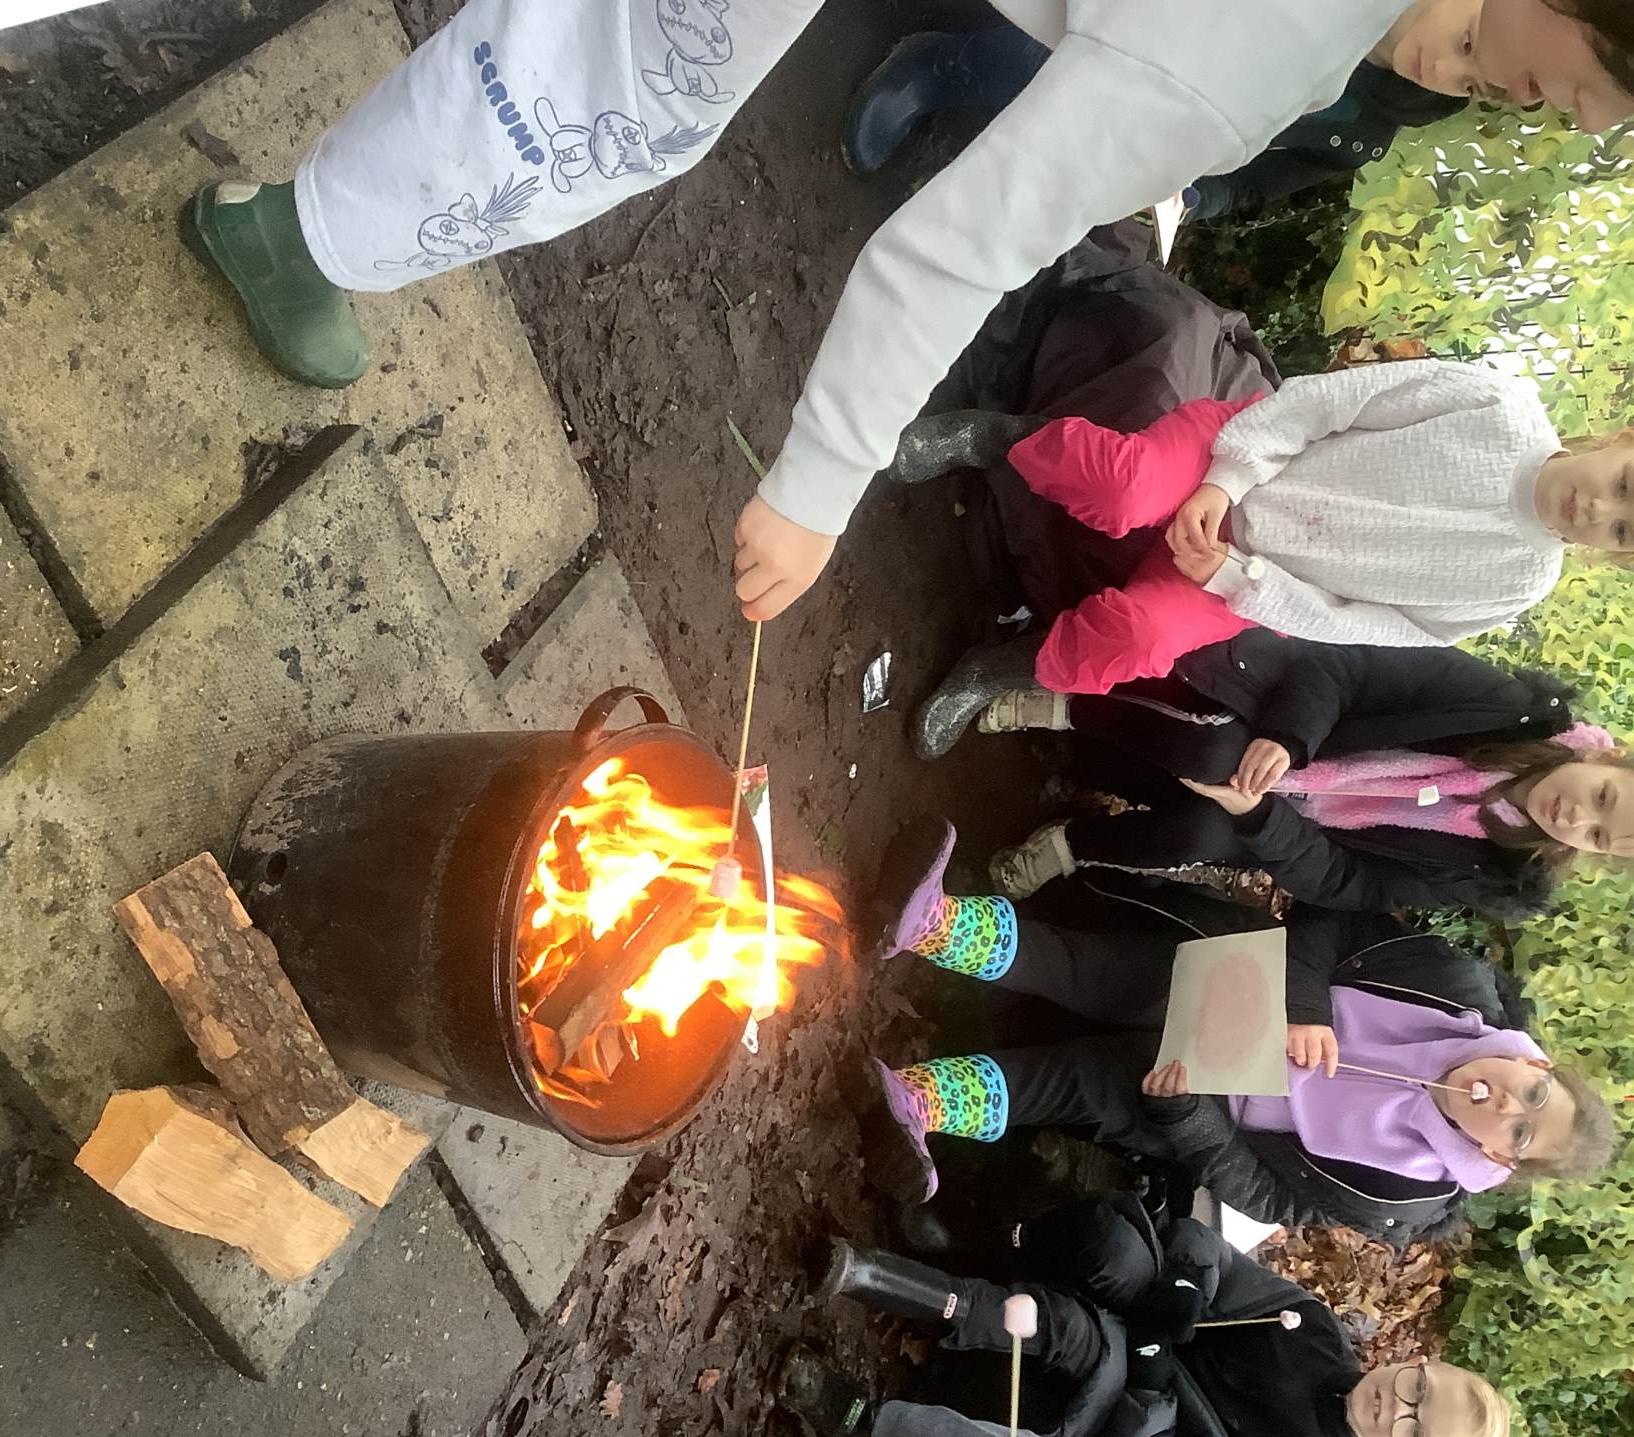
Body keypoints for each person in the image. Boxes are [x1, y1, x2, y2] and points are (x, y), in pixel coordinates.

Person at [173, 2, 1634, 620]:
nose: (1578, 121)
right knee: (632, 79)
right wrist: (818, 486)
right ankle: (298, 238)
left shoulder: (1317, 51)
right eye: (1603, 83)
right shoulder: (1264, 54)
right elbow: (959, 244)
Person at [850, 816, 1616, 1242]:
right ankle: (933, 924)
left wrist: (1188, 1118)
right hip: (1229, 982)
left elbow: (1275, 1199)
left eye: (1520, 1132)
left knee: (1063, 1083)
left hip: (1200, 1104)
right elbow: (1335, 920)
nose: (1505, 1105)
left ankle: (918, 1106)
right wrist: (1307, 1008)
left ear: (1499, 1157)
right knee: (1079, 966)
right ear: (1536, 1064)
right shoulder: (1456, 990)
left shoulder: (1407, 1196)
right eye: (1532, 1094)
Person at [887, 364, 1634, 700]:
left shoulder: (1516, 584)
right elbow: (1331, 403)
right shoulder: (1498, 406)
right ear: (1621, 441)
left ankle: (993, 673)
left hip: (1241, 577)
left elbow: (1360, 624)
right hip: (1239, 457)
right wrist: (1225, 481)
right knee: (1122, 486)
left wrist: (1234, 578)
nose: (1599, 510)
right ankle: (996, 440)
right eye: (1625, 485)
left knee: (1140, 642)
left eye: (1624, 531)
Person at [923, 632, 1631, 915]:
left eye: (1598, 835)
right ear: (1602, 759)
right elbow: (1349, 665)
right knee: (1215, 755)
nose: (1576, 817)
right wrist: (1289, 740)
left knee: (1200, 833)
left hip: (1282, 820)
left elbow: (1351, 883)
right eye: (1603, 797)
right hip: (1274, 706)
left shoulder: (1491, 871)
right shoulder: (1501, 706)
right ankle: (1062, 707)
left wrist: (1259, 818)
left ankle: (1068, 845)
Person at [780, 1191, 1515, 1437]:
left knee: (1060, 1330)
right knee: (1113, 1246)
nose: (1395, 1406)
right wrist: (1188, 1292)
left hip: (1125, 1404)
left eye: (1413, 1430)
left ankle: (865, 1421)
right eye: (1417, 1388)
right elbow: (1208, 1253)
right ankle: (907, 1266)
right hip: (1150, 1323)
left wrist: (1148, 1390)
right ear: (1413, 1361)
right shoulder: (1316, 1334)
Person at [843, 0, 1470, 212]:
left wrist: (1194, 198)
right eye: (1465, 47)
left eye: (1472, 86)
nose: (1444, 74)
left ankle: (973, 173)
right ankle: (942, 67)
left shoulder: (1361, 132)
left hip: (1144, 134)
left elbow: (1251, 186)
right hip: (1125, 35)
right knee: (1088, 67)